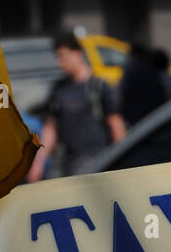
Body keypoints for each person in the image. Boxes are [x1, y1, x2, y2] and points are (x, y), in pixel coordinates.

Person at [29, 31, 125, 181]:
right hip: (70, 165)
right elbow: (51, 127)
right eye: (58, 57)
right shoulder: (59, 89)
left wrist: (122, 161)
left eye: (64, 56)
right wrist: (39, 161)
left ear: (78, 53)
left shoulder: (98, 86)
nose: (60, 62)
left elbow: (116, 124)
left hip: (100, 162)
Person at [118, 41, 168, 127]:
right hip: (154, 116)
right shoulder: (153, 70)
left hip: (134, 118)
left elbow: (120, 93)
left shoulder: (130, 70)